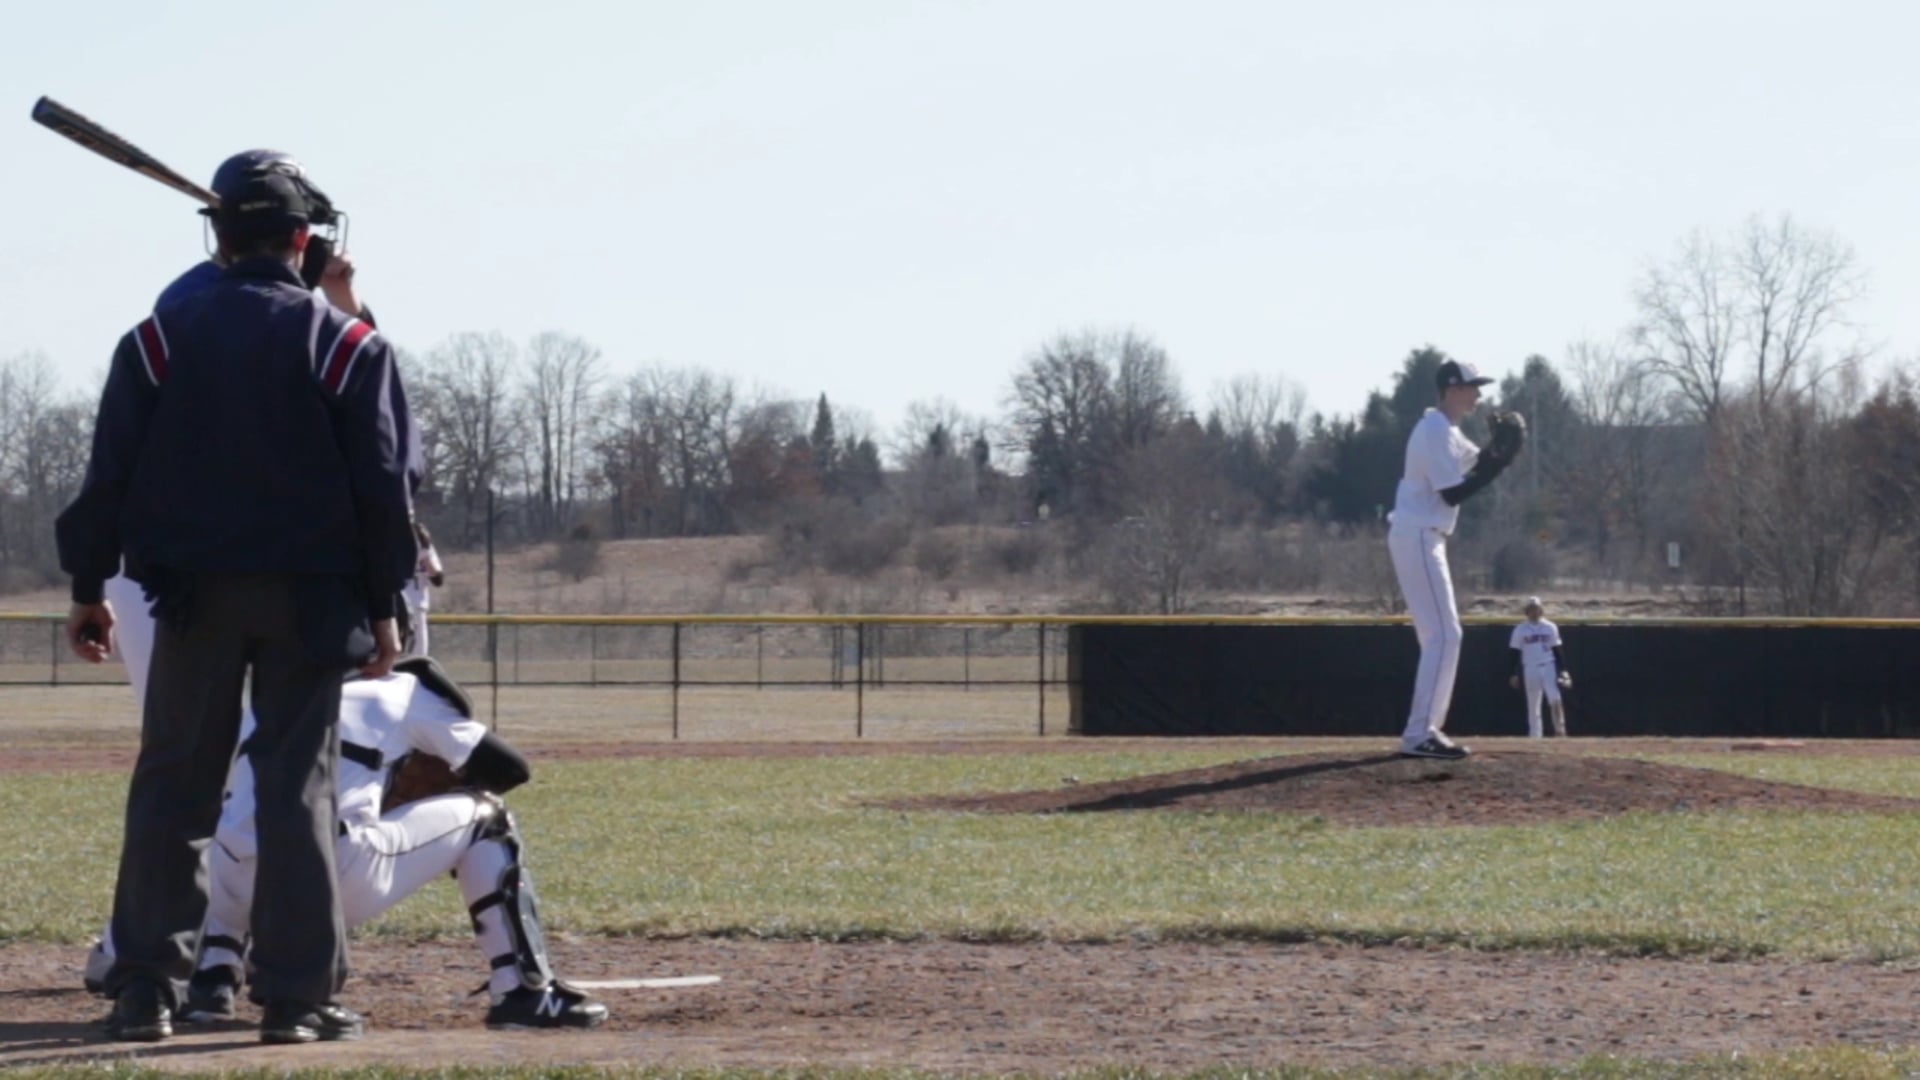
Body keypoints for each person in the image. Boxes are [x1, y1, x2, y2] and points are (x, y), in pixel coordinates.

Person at [56, 152, 418, 1044]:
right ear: (303, 239)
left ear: (216, 239)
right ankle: (296, 1000)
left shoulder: (156, 338)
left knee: (175, 785)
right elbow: (384, 489)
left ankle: (145, 989)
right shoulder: (347, 342)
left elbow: (109, 476)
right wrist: (386, 605)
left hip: (188, 598)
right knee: (296, 788)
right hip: (311, 600)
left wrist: (87, 587)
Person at [85, 658, 609, 1031]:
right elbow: (509, 769)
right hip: (325, 880)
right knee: (487, 817)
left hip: (219, 879)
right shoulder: (404, 688)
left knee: (236, 831)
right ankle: (524, 990)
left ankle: (211, 978)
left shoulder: (271, 689)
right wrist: (418, 778)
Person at [1386, 359, 1524, 760]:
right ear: (1451, 388)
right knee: (1445, 636)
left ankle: (1423, 730)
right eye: (1471, 386)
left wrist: (1496, 454)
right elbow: (1452, 493)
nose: (1478, 394)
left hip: (1423, 536)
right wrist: (1498, 462)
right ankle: (1420, 733)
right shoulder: (1433, 429)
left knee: (1442, 636)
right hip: (1418, 535)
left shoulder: (1446, 431)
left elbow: (1476, 463)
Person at [1509, 597, 1571, 738]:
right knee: (1533, 702)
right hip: (1530, 667)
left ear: (1541, 610)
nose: (1534, 611)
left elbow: (1557, 649)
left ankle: (1560, 731)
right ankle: (1535, 735)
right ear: (1526, 611)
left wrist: (1564, 670)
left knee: (1555, 698)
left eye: (1536, 608)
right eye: (1531, 609)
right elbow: (1514, 652)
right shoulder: (1520, 629)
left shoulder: (1550, 627)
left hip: (1548, 665)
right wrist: (1513, 673)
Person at [403, 521, 446, 656]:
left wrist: (425, 556)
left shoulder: (426, 550)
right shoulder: (392, 547)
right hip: (397, 606)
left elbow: (438, 580)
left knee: (419, 654)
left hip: (417, 606)